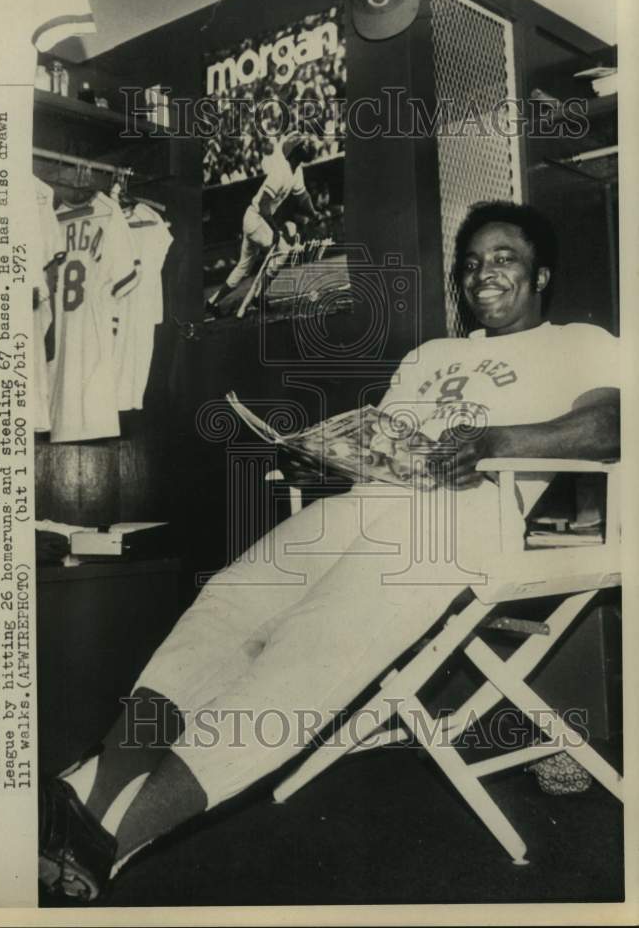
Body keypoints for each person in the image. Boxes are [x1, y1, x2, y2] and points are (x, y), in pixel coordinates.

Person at [39, 201, 620, 902]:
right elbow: (388, 441)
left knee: (309, 654)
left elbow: (607, 427)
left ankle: (122, 835)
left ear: (541, 273)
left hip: (463, 522)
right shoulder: (429, 356)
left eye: (503, 258)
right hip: (365, 506)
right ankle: (89, 790)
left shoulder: (579, 341)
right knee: (227, 603)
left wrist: (498, 441)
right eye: (471, 263)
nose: (482, 274)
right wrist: (334, 454)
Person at [205, 132, 321, 318]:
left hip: (256, 219)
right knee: (283, 250)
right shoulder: (280, 171)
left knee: (242, 268)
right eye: (303, 147)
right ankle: (258, 296)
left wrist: (313, 213)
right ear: (295, 152)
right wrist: (275, 231)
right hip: (256, 219)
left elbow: (302, 196)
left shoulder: (296, 170)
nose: (307, 149)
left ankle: (212, 302)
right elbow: (263, 204)